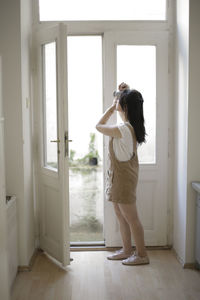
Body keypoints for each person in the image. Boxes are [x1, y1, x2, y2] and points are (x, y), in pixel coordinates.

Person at [96, 82, 150, 265]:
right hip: (120, 177)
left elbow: (98, 125)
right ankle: (127, 250)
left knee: (132, 218)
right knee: (120, 213)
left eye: (119, 100)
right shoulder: (127, 126)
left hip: (124, 179)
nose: (116, 101)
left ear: (125, 106)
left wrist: (111, 108)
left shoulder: (123, 129)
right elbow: (133, 101)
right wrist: (123, 92)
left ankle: (142, 255)